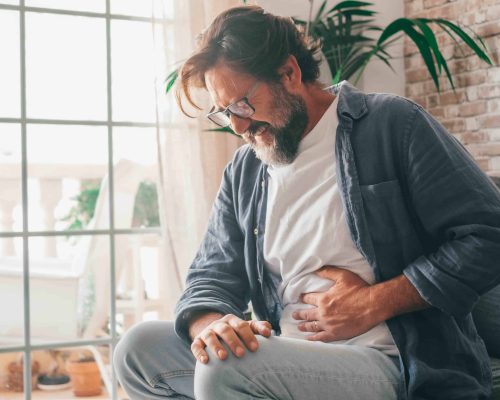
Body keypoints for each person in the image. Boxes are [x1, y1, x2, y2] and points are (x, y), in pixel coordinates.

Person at [113, 5, 500, 400]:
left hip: (395, 363)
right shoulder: (246, 170)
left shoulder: (393, 125)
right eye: (224, 112)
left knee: (226, 371)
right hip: (287, 355)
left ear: (289, 73)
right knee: (138, 350)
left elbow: (489, 236)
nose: (238, 126)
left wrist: (374, 302)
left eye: (242, 104)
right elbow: (210, 274)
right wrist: (212, 325)